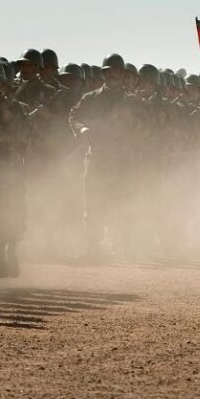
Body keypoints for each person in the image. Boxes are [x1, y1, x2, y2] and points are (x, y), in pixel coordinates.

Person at [69, 53, 142, 260]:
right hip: (97, 158)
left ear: (122, 73)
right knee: (93, 204)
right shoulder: (91, 98)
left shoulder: (131, 101)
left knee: (124, 202)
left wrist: (132, 128)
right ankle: (93, 247)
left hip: (123, 159)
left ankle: (125, 245)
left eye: (116, 71)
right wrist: (82, 129)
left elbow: (146, 126)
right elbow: (74, 115)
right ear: (104, 74)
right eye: (108, 72)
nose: (112, 75)